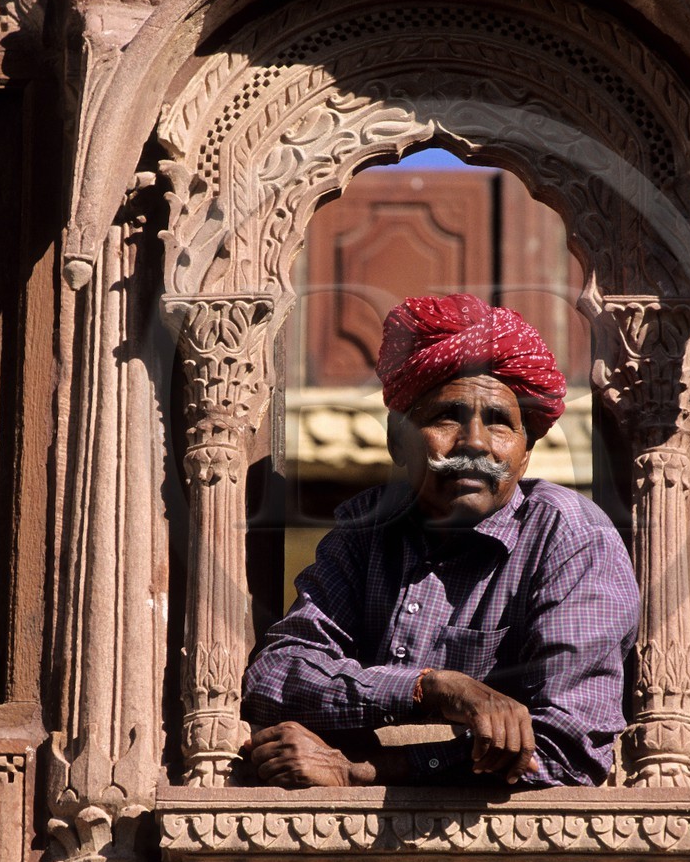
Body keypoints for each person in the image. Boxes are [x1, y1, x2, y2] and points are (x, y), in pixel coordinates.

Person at [242, 293, 639, 789]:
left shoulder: (572, 536)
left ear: (525, 452)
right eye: (446, 416)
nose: (474, 442)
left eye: (499, 422)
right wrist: (430, 689)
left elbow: (565, 748)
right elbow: (275, 676)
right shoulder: (366, 532)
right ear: (396, 440)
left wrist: (363, 769)